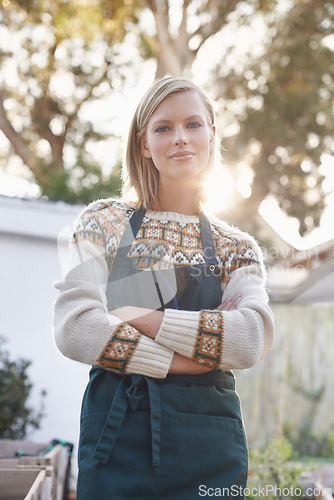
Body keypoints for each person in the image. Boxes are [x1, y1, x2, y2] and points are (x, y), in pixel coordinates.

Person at [53, 76, 275, 500]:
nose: (180, 139)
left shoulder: (237, 248)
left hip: (210, 445)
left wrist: (138, 315)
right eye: (163, 128)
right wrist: (188, 362)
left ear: (212, 133)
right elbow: (76, 327)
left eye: (193, 125)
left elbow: (250, 338)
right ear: (143, 144)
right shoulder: (105, 223)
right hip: (117, 438)